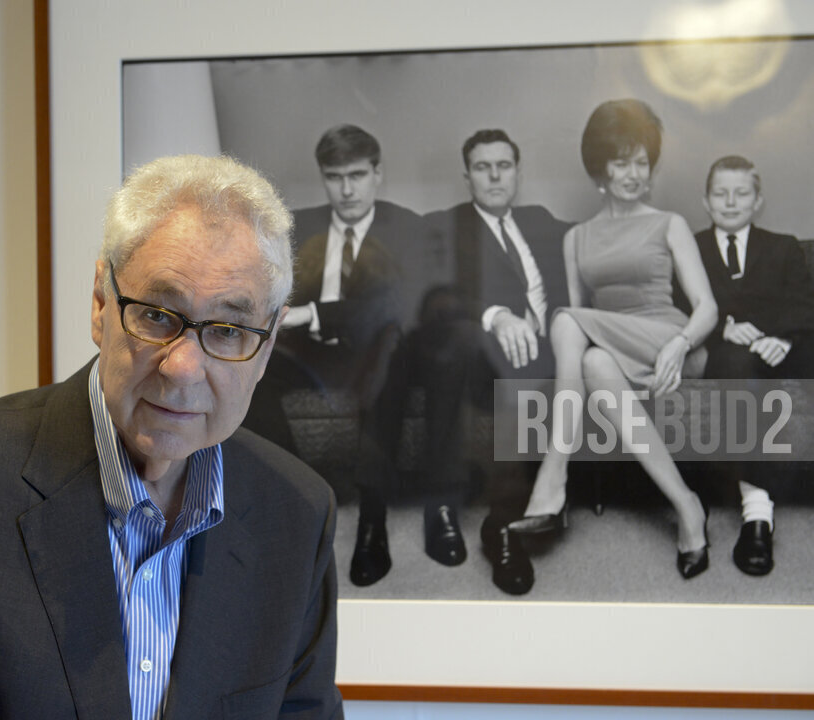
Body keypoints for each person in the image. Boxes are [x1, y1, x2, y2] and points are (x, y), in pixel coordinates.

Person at [0, 155, 344, 719]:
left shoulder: (298, 513)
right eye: (159, 316)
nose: (183, 368)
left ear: (268, 342)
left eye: (229, 330)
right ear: (100, 304)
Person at [509, 99, 719, 581]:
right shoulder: (577, 238)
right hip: (614, 352)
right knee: (595, 363)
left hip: (668, 342)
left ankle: (552, 477)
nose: (633, 173)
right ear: (600, 167)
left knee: (565, 320)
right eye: (621, 161)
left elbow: (707, 307)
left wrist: (679, 343)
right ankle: (687, 506)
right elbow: (586, 321)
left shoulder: (670, 224)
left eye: (641, 161)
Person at [244, 124, 433, 587]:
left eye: (357, 175)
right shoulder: (297, 227)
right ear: (323, 177)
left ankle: (373, 520)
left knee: (391, 354)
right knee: (248, 363)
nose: (346, 189)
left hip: (370, 352)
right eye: (334, 176)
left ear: (377, 174)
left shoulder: (406, 226)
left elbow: (399, 305)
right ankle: (297, 500)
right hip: (309, 355)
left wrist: (312, 313)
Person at [421, 129, 571, 595]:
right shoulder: (448, 225)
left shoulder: (542, 221)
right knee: (498, 354)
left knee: (539, 360)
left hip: (559, 347)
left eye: (503, 165)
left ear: (518, 173)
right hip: (490, 352)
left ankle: (503, 523)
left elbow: (592, 252)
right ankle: (474, 514)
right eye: (483, 167)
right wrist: (497, 316)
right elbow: (435, 289)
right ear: (467, 177)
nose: (494, 176)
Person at [692, 154, 814, 576]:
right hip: (730, 353)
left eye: (741, 193)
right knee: (733, 361)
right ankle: (757, 514)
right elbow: (674, 307)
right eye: (720, 194)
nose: (730, 202)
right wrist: (722, 328)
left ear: (757, 200)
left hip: (785, 349)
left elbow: (803, 306)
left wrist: (777, 336)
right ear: (706, 202)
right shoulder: (691, 248)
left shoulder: (784, 246)